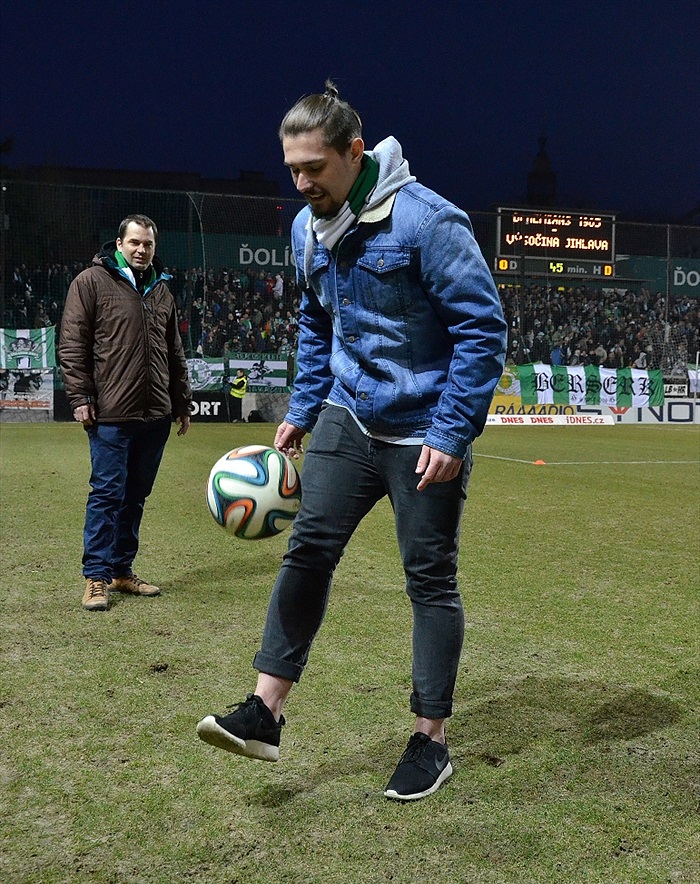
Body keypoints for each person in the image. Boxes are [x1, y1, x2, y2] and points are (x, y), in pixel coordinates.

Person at [196, 82, 506, 800]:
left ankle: (430, 741)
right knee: (307, 549)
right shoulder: (308, 230)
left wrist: (452, 431)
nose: (302, 184)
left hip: (425, 428)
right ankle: (265, 711)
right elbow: (316, 318)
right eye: (292, 170)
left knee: (429, 579)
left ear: (355, 153)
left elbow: (483, 331)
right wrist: (305, 407)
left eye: (315, 168)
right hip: (348, 413)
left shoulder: (428, 222)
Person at [59, 215, 192, 611]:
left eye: (147, 244)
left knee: (135, 497)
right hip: (111, 414)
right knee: (106, 495)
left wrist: (182, 402)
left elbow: (174, 351)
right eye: (134, 242)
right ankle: (96, 578)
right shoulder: (90, 282)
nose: (141, 250)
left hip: (155, 415)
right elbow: (72, 344)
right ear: (118, 244)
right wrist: (80, 397)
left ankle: (121, 571)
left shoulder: (161, 289)